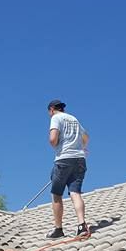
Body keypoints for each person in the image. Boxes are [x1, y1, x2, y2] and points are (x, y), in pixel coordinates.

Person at [45, 99, 90, 239]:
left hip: (63, 159)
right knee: (75, 192)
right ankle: (82, 225)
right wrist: (81, 148)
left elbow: (53, 139)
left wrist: (56, 145)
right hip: (80, 159)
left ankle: (58, 229)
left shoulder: (56, 118)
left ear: (52, 109)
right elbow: (86, 137)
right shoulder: (74, 119)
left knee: (57, 194)